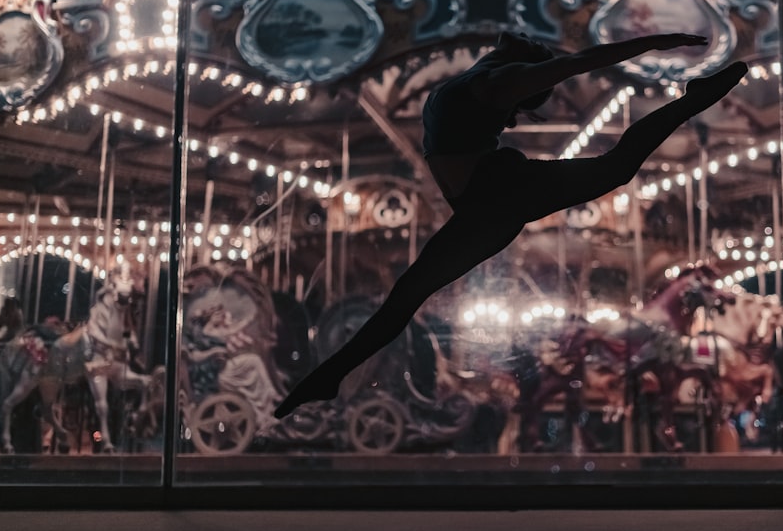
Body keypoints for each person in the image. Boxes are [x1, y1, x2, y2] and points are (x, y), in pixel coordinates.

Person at [275, 31, 747, 418]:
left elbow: (581, 61)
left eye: (529, 43)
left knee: (617, 168)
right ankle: (328, 377)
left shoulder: (504, 81)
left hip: (500, 190)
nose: (521, 34)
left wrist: (652, 42)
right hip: (482, 206)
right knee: (406, 294)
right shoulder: (478, 78)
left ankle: (695, 100)